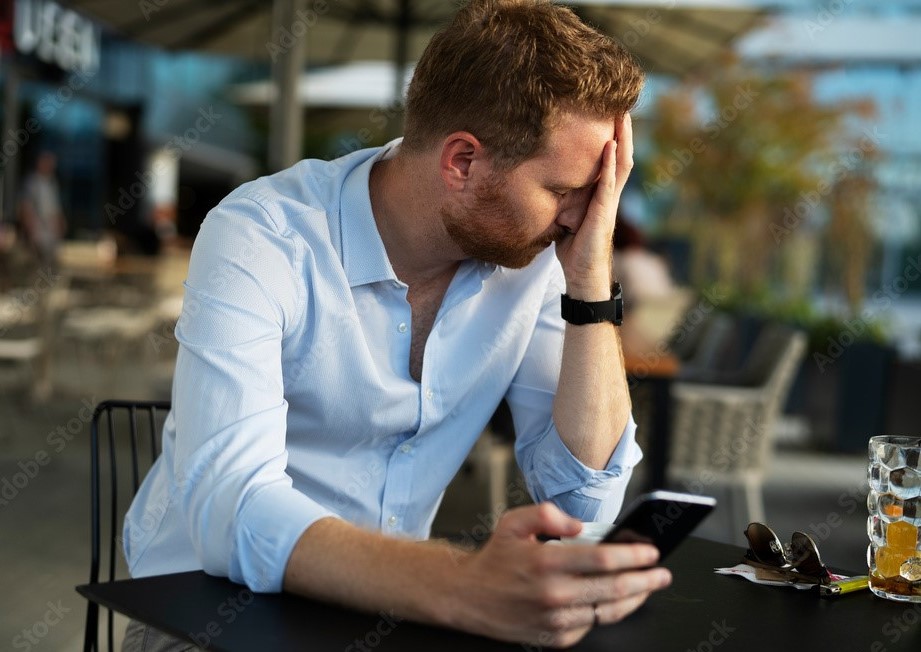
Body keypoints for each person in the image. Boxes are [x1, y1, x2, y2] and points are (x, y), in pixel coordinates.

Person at [121, 0, 672, 648]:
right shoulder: (263, 235)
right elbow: (230, 510)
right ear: (462, 161)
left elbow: (582, 507)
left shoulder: (533, 260)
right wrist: (465, 584)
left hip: (384, 607)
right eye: (564, 191)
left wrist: (588, 283)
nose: (583, 218)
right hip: (201, 609)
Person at [17, 150, 66, 269]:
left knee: (49, 260)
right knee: (36, 260)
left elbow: (56, 207)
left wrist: (61, 222)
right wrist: (30, 226)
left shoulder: (52, 183)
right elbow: (25, 205)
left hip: (50, 229)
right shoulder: (31, 182)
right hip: (37, 228)